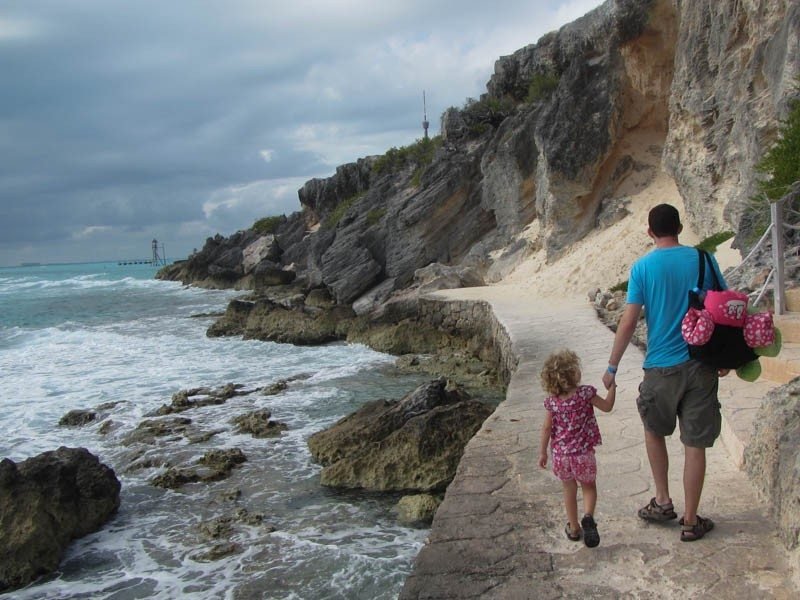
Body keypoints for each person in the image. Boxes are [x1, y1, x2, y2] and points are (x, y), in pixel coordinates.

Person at [601, 203, 728, 542]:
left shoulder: (642, 267)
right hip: (701, 364)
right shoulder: (703, 259)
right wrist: (730, 357)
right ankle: (690, 520)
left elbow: (628, 320)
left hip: (659, 366)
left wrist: (612, 366)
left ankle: (662, 500)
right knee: (694, 443)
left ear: (649, 232)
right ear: (680, 227)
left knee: (654, 430)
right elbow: (726, 306)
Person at [538, 348, 616, 547]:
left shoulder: (552, 403)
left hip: (561, 456)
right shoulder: (585, 394)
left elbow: (547, 428)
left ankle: (573, 528)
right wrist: (612, 388)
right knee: (589, 487)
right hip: (583, 455)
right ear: (573, 374)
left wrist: (542, 452)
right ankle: (588, 516)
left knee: (568, 490)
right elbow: (607, 406)